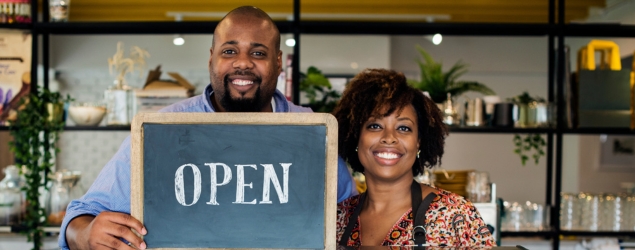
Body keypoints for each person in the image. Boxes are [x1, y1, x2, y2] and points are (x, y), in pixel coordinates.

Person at [60, 6, 356, 250]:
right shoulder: (163, 130)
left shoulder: (313, 133)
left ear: (278, 62)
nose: (243, 64)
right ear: (211, 59)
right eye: (229, 52)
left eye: (258, 53)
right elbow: (78, 217)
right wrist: (86, 235)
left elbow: (354, 221)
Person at [333, 68, 495, 247]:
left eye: (403, 128)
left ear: (418, 142)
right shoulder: (337, 218)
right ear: (356, 136)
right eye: (375, 126)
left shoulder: (455, 215)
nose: (389, 137)